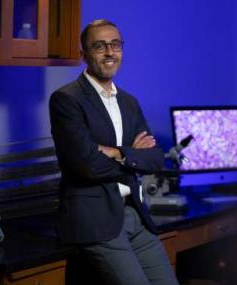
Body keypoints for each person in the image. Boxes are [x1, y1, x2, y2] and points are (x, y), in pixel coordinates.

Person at [49, 19, 179, 285]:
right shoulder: (67, 99)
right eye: (100, 46)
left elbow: (154, 158)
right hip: (96, 220)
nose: (110, 52)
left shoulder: (129, 102)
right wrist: (132, 155)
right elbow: (86, 164)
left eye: (115, 44)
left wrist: (115, 152)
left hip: (135, 214)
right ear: (83, 54)